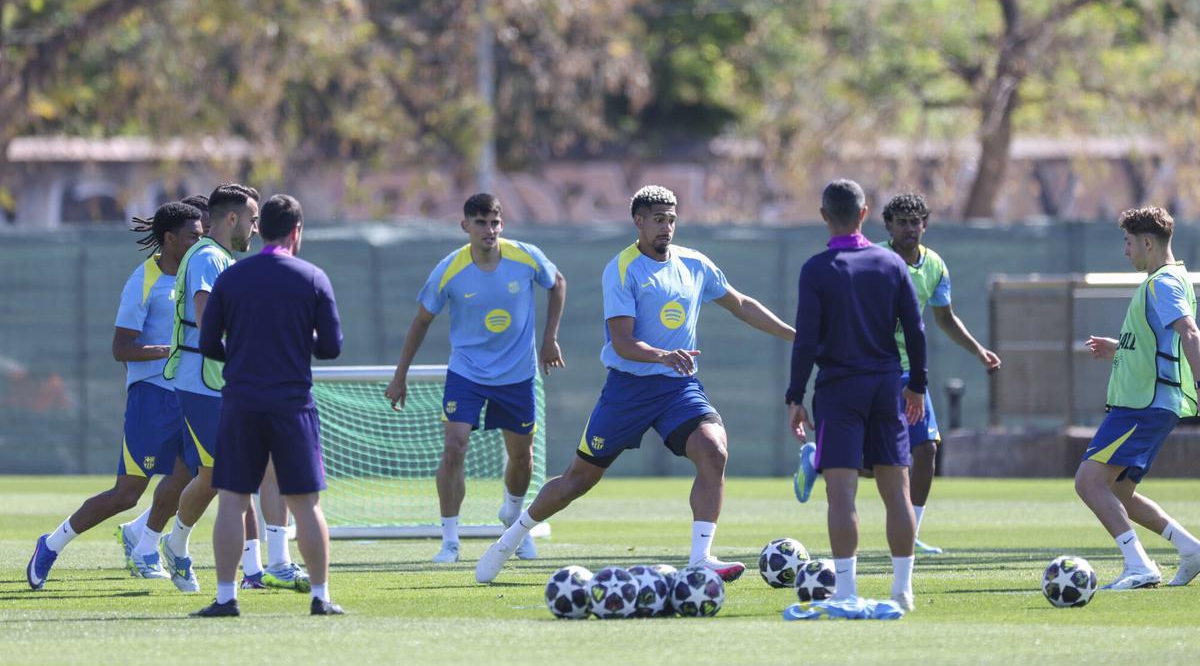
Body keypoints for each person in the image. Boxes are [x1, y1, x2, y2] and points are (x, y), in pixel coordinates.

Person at [476, 185, 795, 584]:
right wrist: (663, 355)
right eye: (658, 219)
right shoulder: (623, 268)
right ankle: (509, 540)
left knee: (713, 451)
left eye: (672, 219)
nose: (667, 227)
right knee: (577, 481)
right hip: (628, 390)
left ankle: (701, 558)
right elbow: (622, 343)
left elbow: (742, 304)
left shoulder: (694, 264)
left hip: (678, 388)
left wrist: (794, 335)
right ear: (639, 221)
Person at [794, 193, 1001, 555]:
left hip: (908, 375)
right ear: (886, 225)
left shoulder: (935, 265)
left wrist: (977, 349)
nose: (910, 228)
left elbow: (943, 318)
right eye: (902, 222)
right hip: (874, 370)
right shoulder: (875, 260)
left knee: (925, 452)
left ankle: (912, 532)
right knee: (877, 463)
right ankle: (818, 458)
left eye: (916, 221)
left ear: (925, 224)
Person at [27, 202, 204, 589]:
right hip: (152, 399)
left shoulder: (197, 274)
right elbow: (121, 349)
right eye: (193, 234)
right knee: (127, 494)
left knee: (189, 473)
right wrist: (167, 351)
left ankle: (146, 546)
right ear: (170, 238)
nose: (199, 240)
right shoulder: (142, 281)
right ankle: (51, 544)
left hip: (188, 395)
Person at [385, 193, 566, 563]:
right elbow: (421, 320)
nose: (489, 229)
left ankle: (513, 519)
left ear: (502, 224)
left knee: (521, 457)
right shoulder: (449, 270)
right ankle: (450, 540)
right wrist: (399, 375)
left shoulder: (524, 256)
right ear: (465, 226)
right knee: (455, 446)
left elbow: (557, 282)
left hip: (517, 375)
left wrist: (549, 339)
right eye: (481, 222)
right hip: (467, 373)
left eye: (495, 222)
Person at [192, 194, 344, 616]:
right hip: (292, 404)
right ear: (296, 231)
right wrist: (293, 344)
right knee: (306, 503)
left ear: (262, 229)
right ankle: (319, 597)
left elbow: (208, 343)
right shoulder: (312, 277)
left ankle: (225, 598)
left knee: (232, 501)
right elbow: (331, 347)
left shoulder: (233, 278)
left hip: (241, 401)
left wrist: (243, 353)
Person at [785, 179, 927, 612]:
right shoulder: (891, 264)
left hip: (837, 391)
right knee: (896, 491)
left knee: (841, 494)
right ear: (865, 213)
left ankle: (846, 592)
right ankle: (902, 590)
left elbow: (806, 340)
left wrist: (795, 395)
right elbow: (916, 330)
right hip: (887, 387)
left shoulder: (816, 269)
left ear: (825, 216)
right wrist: (917, 385)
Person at [1075, 206, 1200, 590]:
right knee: (1119, 491)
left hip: (1142, 405)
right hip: (1146, 403)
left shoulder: (1162, 283)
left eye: (1128, 243)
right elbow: (1158, 342)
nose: (1125, 251)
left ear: (1147, 242)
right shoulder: (1166, 279)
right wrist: (1118, 347)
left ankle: (1139, 565)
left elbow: (1190, 333)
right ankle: (1192, 550)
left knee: (1088, 482)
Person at [160, 183, 262, 593]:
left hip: (218, 381)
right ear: (233, 219)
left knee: (221, 475)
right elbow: (207, 327)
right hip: (201, 382)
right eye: (252, 220)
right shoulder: (207, 257)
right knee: (223, 474)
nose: (256, 229)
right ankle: (178, 545)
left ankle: (246, 568)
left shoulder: (223, 259)